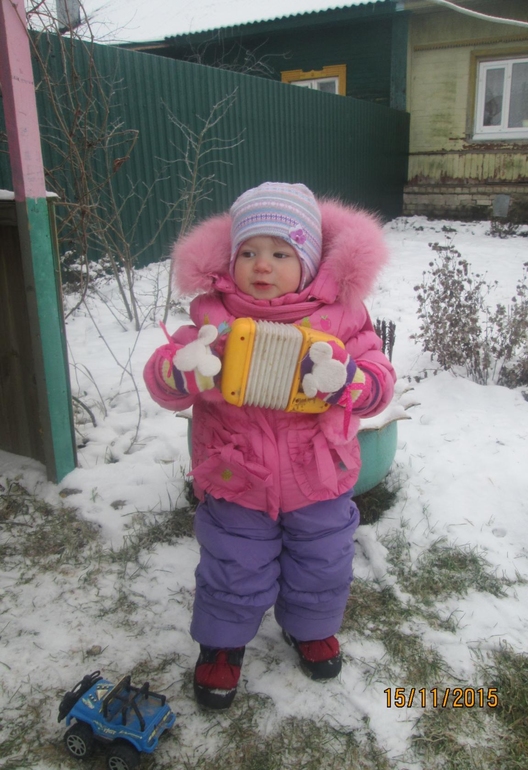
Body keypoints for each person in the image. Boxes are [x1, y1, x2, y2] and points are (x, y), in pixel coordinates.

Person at [143, 182, 396, 709]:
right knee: (233, 563)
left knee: (323, 560)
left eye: (282, 254)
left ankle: (311, 627)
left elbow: (378, 379)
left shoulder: (343, 316)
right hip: (236, 474)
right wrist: (181, 371)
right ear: (231, 260)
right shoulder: (212, 318)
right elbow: (166, 382)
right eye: (249, 252)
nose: (263, 265)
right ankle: (222, 643)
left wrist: (350, 382)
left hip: (319, 474)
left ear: (310, 263)